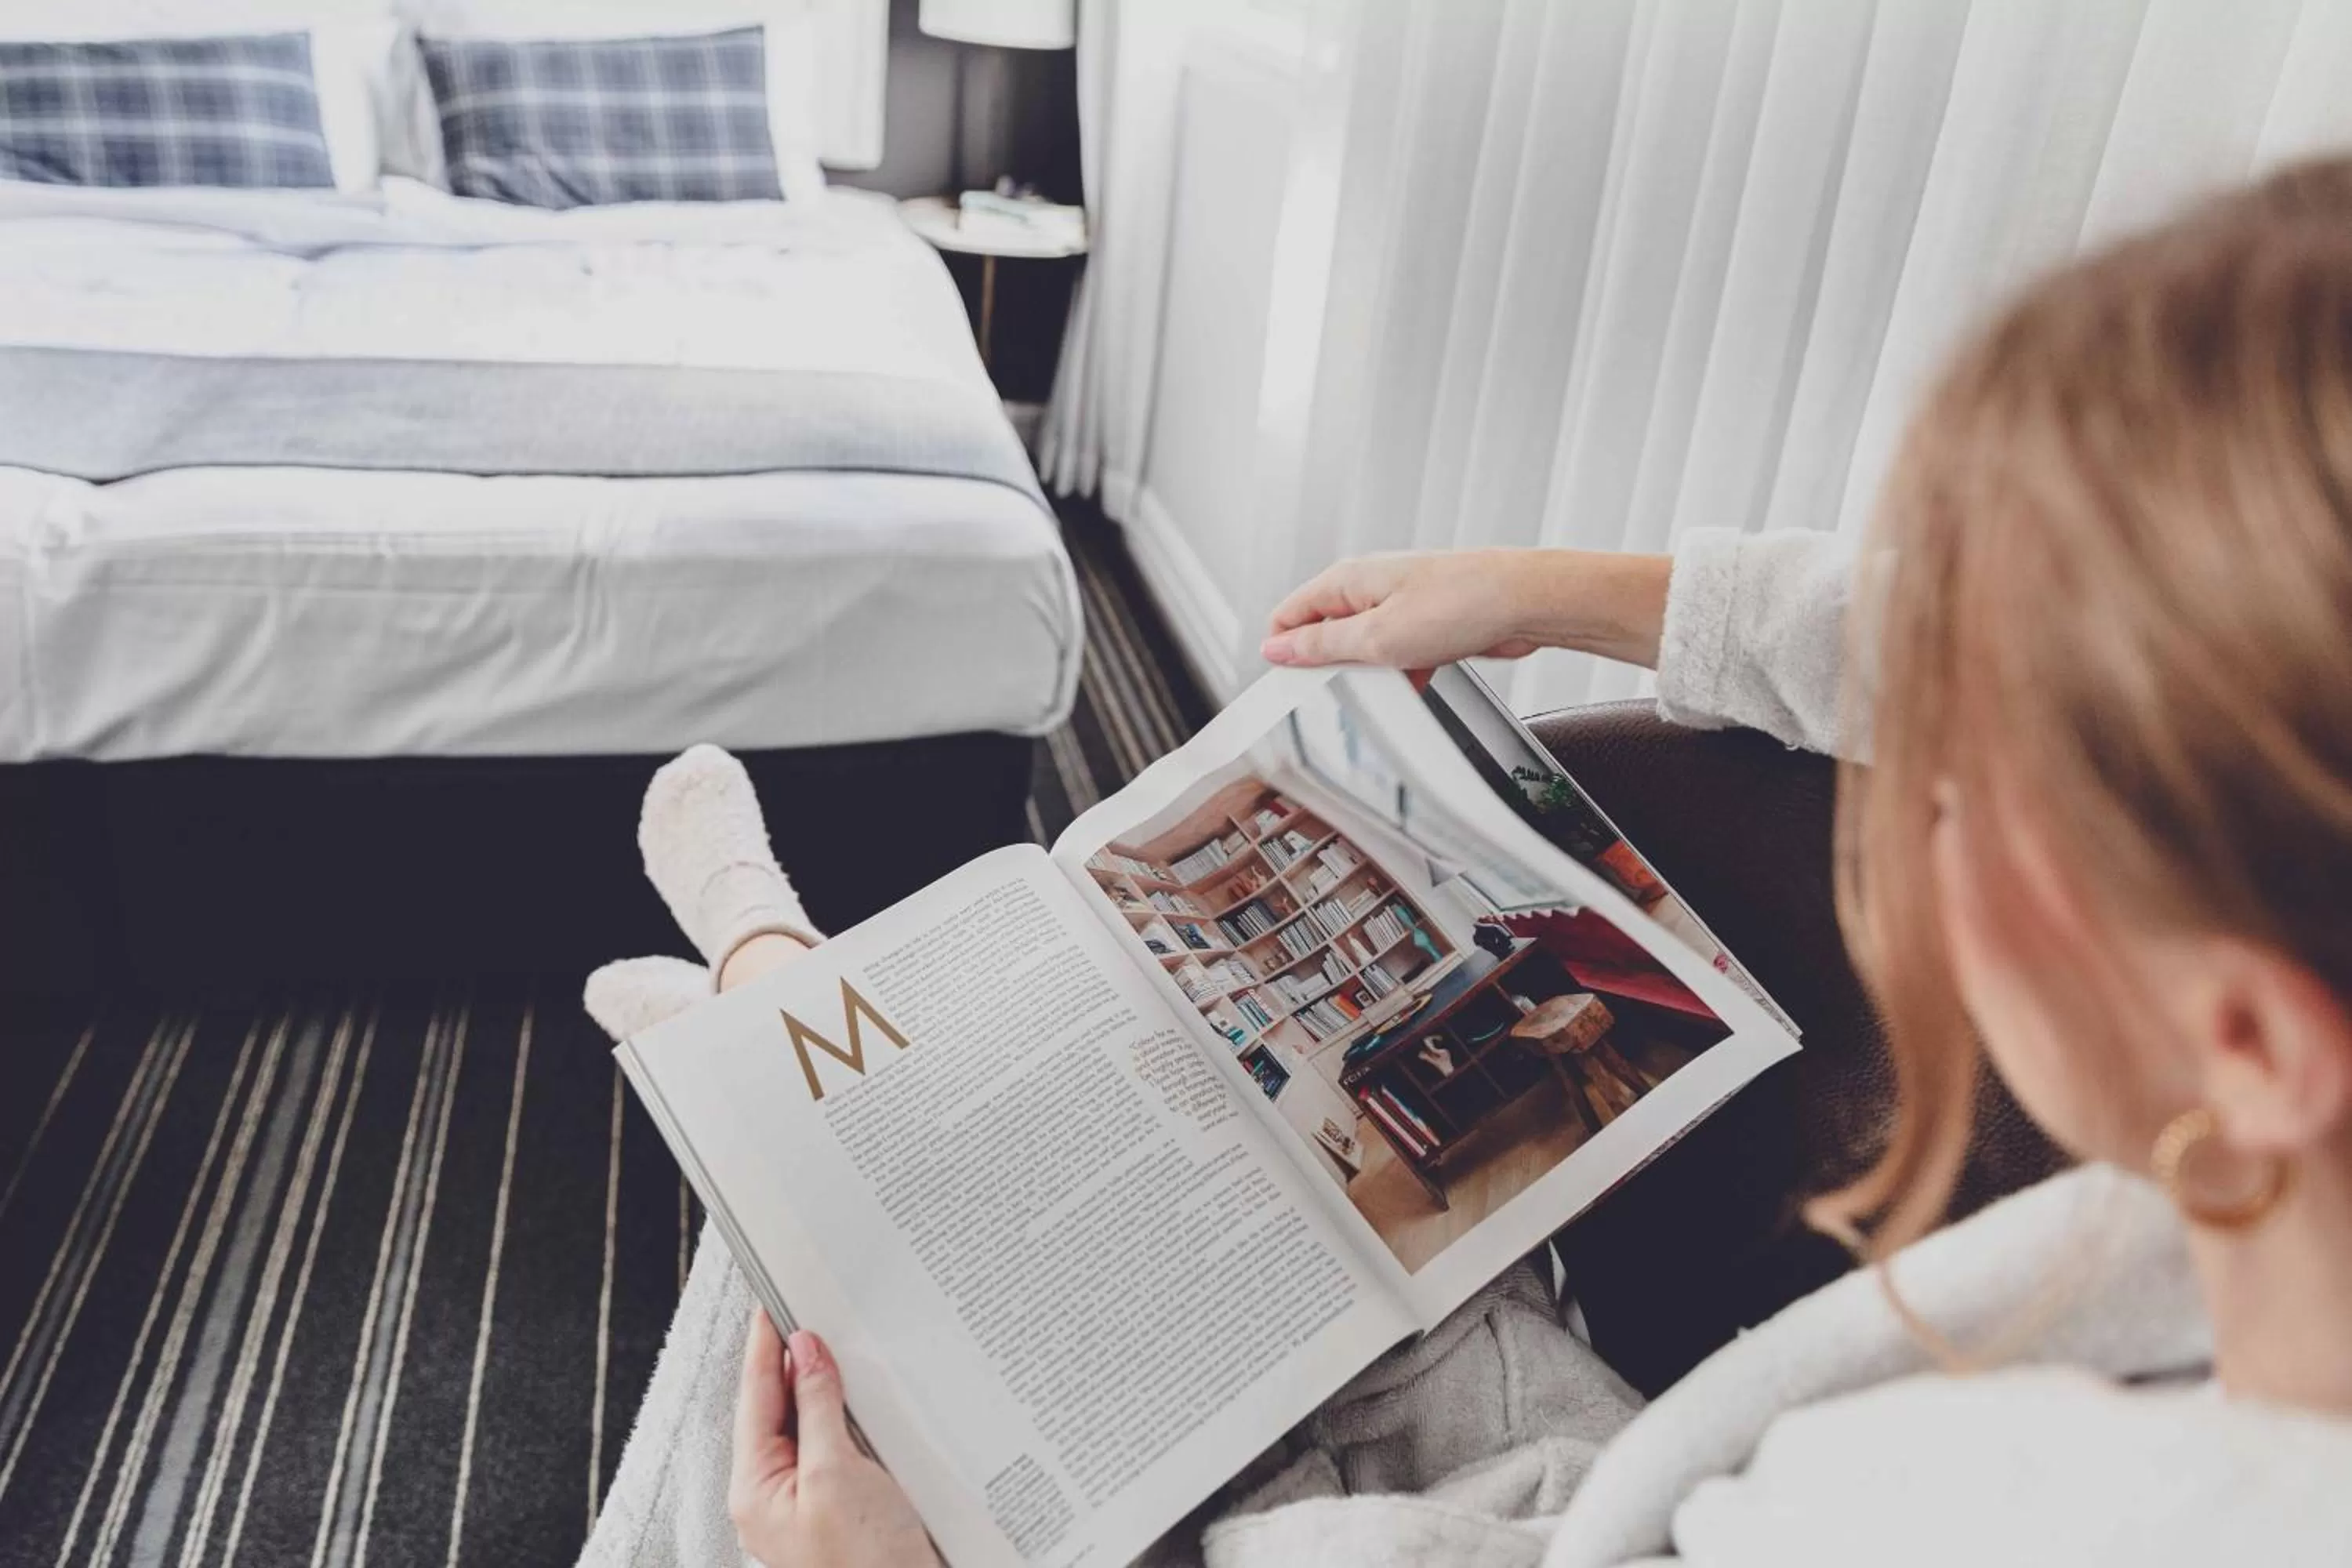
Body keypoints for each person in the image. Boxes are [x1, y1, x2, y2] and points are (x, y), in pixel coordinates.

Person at [581, 160, 2352, 1567]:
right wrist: (1559, 590)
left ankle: (769, 981)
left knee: (831, 1247)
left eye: (1963, 799)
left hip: (1495, 1493)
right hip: (1543, 1439)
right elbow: (1990, 645)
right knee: (940, 1183)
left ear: (2254, 1048)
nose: (1911, 801)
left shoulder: (1989, 1513)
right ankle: (775, 997)